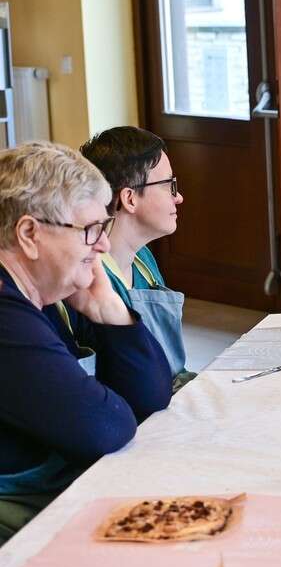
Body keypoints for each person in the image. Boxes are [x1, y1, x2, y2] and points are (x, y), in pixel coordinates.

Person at [0, 142, 172, 544]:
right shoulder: (7, 317)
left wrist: (110, 311)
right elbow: (104, 427)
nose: (104, 245)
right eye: (90, 229)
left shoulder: (54, 295)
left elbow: (151, 397)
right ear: (29, 234)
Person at [80, 127, 193, 392]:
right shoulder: (90, 278)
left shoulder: (142, 258)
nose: (178, 197)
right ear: (129, 198)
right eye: (169, 185)